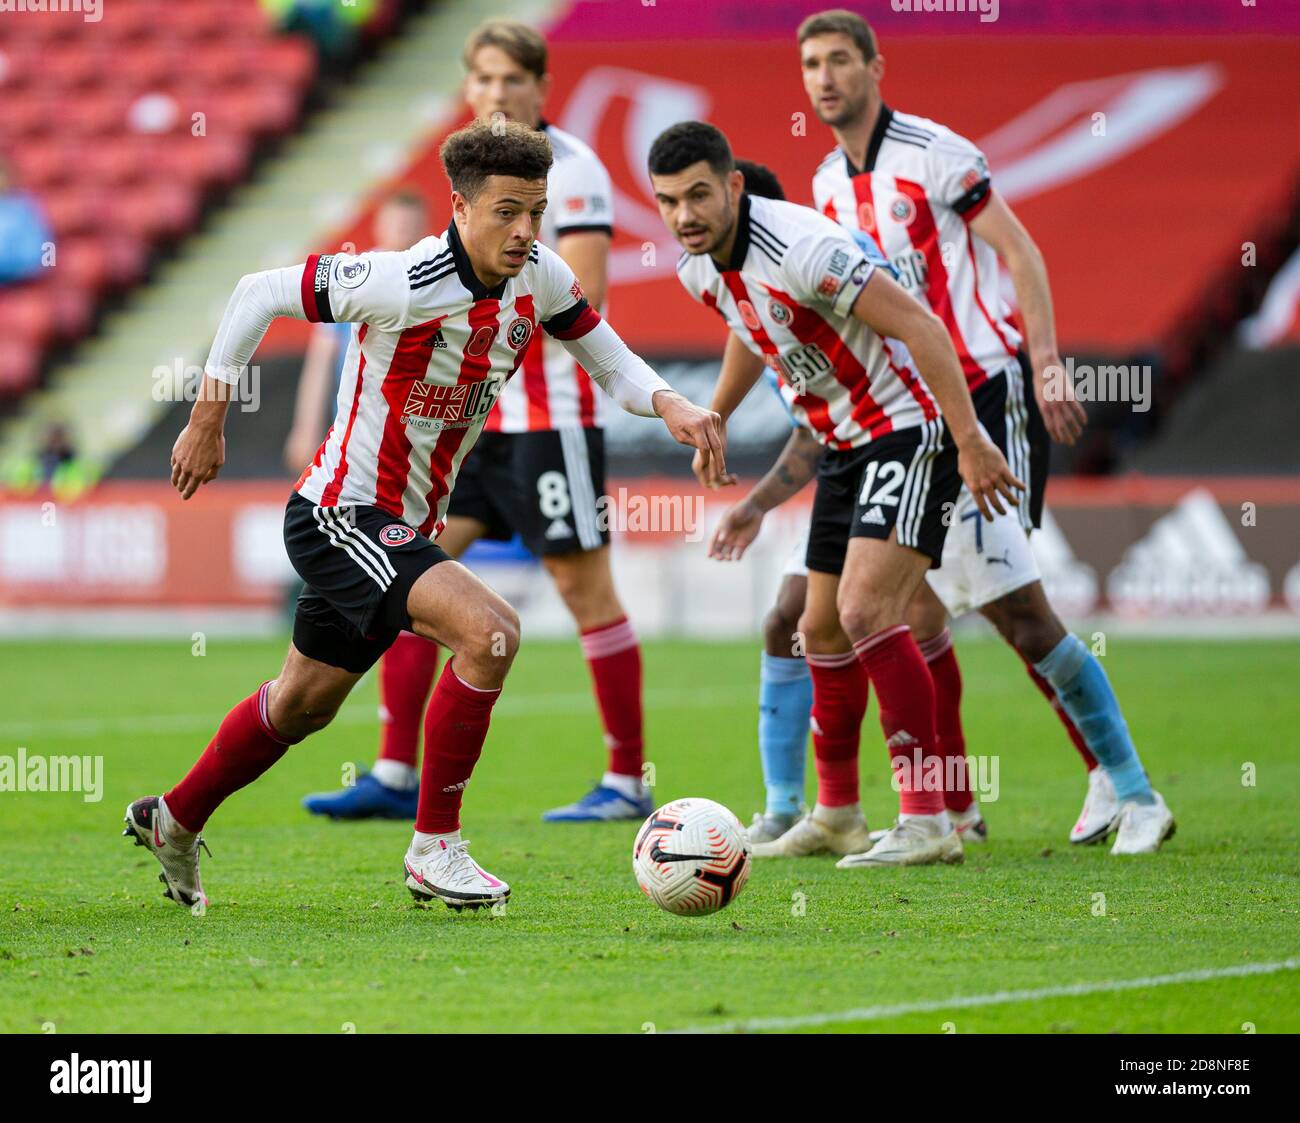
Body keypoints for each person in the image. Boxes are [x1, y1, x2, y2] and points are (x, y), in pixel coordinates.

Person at [123, 119, 725, 911]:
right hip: (340, 512)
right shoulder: (398, 279)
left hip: (401, 527)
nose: (525, 231)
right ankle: (435, 845)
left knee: (303, 703)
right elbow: (255, 292)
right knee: (491, 630)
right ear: (461, 206)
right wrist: (208, 417)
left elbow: (608, 357)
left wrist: (674, 404)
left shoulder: (539, 278)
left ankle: (172, 817)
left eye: (537, 212)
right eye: (507, 211)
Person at [798, 9, 1174, 853]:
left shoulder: (938, 155)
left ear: (874, 66)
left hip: (983, 396)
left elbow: (1020, 252)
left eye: (839, 61)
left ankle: (1134, 788)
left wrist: (1045, 365)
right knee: (916, 613)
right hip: (911, 415)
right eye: (811, 65)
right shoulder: (825, 184)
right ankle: (954, 807)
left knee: (1017, 611)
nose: (824, 78)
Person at [306, 19, 653, 824]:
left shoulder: (576, 172)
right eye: (483, 80)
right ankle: (395, 772)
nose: (496, 94)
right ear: (469, 89)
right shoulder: (477, 174)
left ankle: (629, 780)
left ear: (541, 88)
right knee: (411, 578)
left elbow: (582, 298)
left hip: (551, 421)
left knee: (584, 587)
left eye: (511, 80)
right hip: (471, 432)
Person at [651, 119, 1020, 869]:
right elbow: (747, 325)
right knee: (816, 630)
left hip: (913, 426)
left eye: (697, 195)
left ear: (733, 185)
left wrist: (972, 437)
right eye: (667, 201)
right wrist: (714, 415)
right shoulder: (697, 268)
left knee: (866, 612)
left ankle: (928, 819)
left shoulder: (803, 247)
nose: (684, 214)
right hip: (847, 445)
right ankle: (839, 814)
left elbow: (920, 325)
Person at [285, 191, 448, 822]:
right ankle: (396, 772)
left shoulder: (438, 288)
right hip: (352, 472)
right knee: (421, 598)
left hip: (417, 467)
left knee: (440, 603)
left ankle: (398, 774)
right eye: (391, 229)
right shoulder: (362, 284)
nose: (399, 238)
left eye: (410, 228)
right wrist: (305, 426)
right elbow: (322, 356)